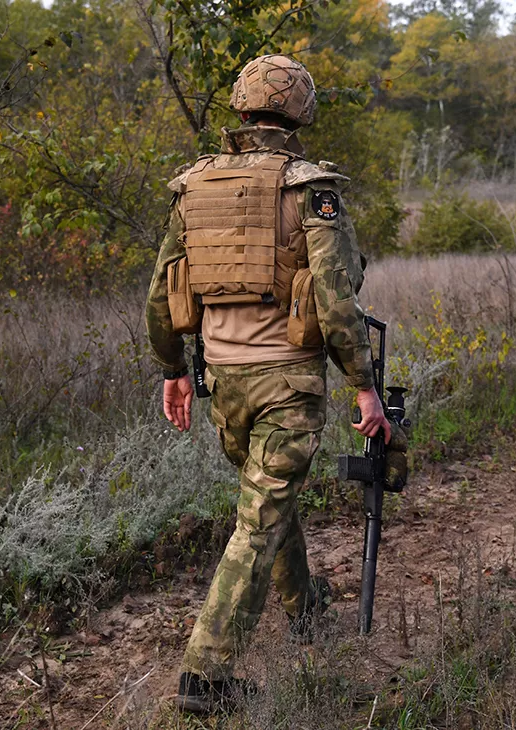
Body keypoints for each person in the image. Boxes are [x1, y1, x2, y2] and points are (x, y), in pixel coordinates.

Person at [144, 54, 391, 714]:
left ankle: (305, 610)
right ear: (301, 110)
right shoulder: (312, 189)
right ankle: (206, 674)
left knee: (267, 503)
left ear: (242, 106)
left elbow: (160, 292)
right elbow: (337, 301)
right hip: (287, 382)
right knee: (259, 522)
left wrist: (172, 369)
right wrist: (363, 386)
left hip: (221, 382)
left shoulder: (194, 186)